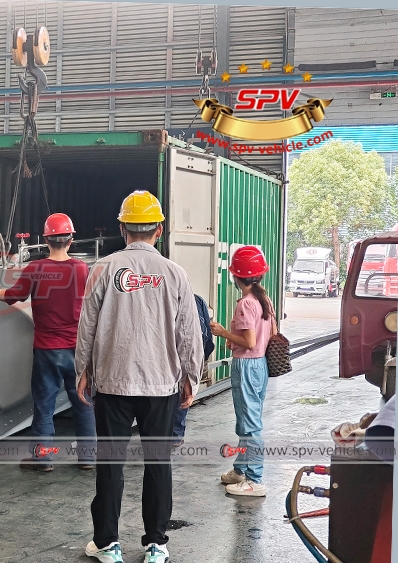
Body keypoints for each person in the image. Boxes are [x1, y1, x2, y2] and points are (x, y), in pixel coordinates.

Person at [75, 191, 203, 563]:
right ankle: (156, 545)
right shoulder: (175, 274)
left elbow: (88, 327)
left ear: (122, 228)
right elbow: (189, 332)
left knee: (111, 463)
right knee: (158, 463)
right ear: (159, 230)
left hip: (113, 382)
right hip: (162, 384)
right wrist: (191, 376)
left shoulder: (102, 268)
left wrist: (82, 370)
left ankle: (107, 544)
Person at [0, 213, 96, 471]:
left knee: (44, 404)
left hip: (47, 350)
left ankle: (42, 459)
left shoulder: (35, 269)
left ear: (45, 240)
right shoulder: (82, 269)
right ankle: (88, 458)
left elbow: (12, 297)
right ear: (71, 239)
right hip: (77, 349)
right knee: (84, 402)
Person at [209, 245, 275, 497]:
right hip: (259, 365)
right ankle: (241, 469)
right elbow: (270, 334)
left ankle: (254, 479)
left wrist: (223, 332)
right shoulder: (263, 299)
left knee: (250, 426)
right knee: (247, 421)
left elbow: (247, 341)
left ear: (236, 276)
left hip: (247, 364)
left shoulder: (247, 304)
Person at [172, 294, 215, 447]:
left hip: (166, 356)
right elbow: (206, 336)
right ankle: (175, 435)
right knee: (184, 394)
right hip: (190, 354)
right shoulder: (196, 299)